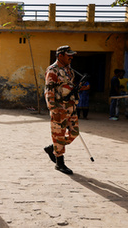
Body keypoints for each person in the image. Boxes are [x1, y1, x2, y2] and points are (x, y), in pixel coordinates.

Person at [44, 45, 79, 175]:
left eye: (72, 54)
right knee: (58, 134)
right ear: (60, 56)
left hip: (71, 107)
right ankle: (60, 163)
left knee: (74, 133)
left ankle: (53, 147)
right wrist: (53, 109)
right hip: (59, 108)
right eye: (68, 55)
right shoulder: (53, 70)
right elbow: (49, 90)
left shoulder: (69, 70)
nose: (71, 57)